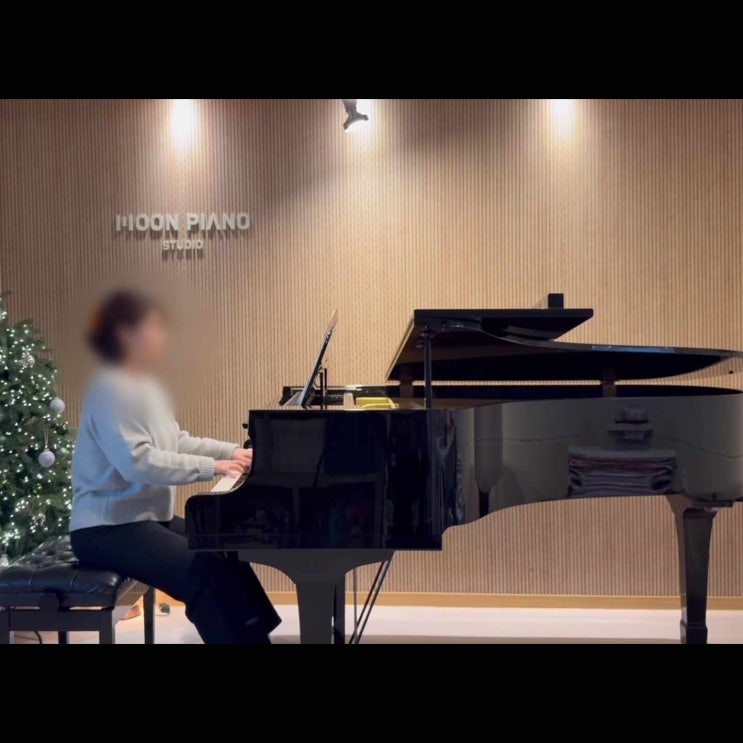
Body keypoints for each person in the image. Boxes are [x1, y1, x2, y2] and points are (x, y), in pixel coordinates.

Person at [69, 290, 280, 644]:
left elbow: (176, 441)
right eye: (155, 327)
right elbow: (138, 462)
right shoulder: (109, 389)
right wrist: (213, 467)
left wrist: (231, 452)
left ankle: (255, 636)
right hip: (106, 528)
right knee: (204, 570)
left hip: (144, 518)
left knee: (223, 545)